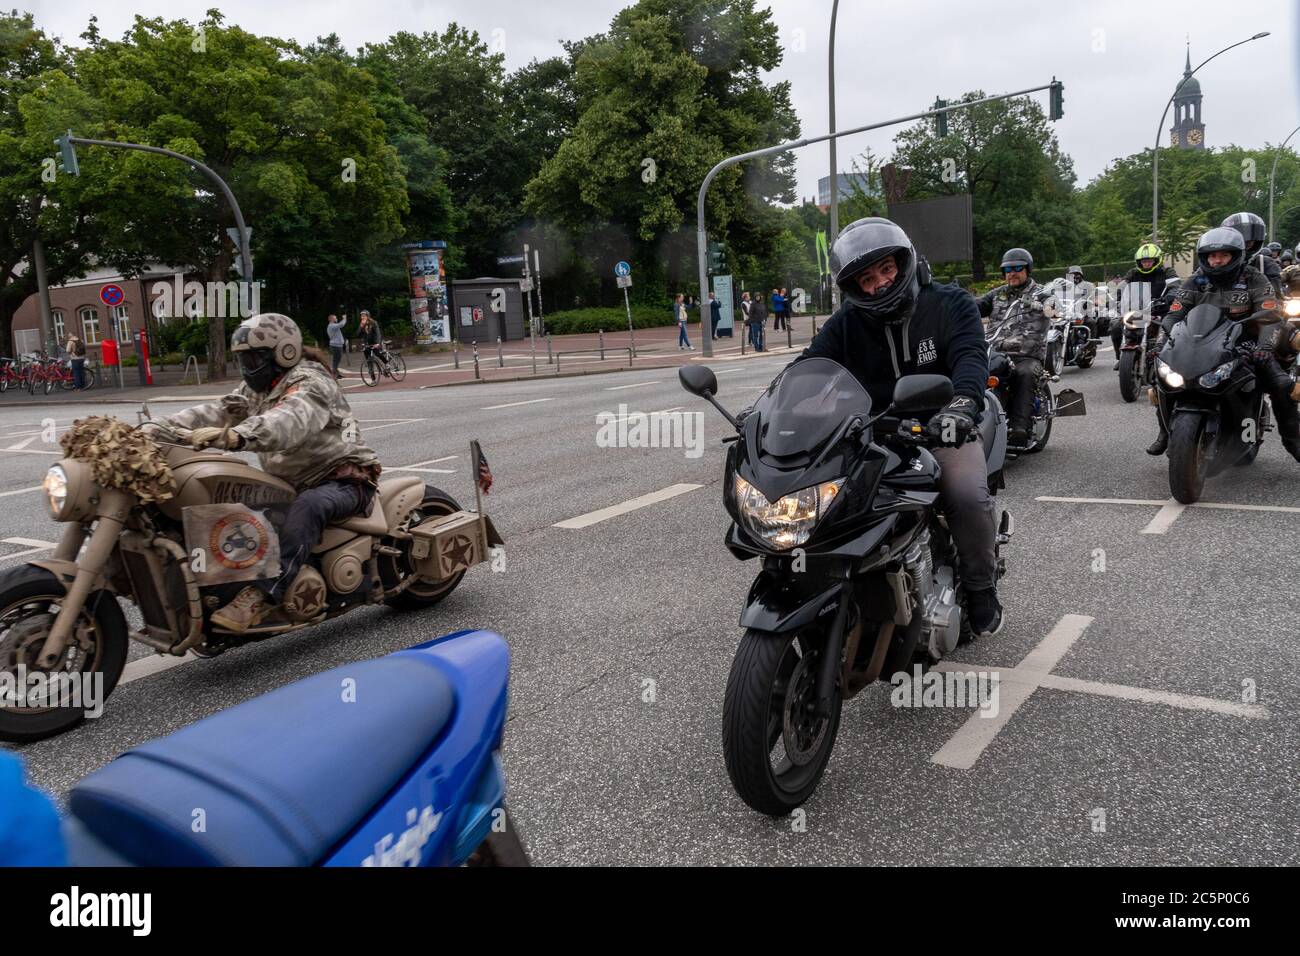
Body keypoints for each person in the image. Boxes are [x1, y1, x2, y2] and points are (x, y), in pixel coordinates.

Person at [795, 217, 1003, 638]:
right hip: (871, 433)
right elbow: (809, 368)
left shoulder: (949, 304)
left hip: (942, 429)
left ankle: (981, 588)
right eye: (867, 279)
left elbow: (970, 359)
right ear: (853, 288)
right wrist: (770, 407)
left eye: (886, 270)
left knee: (964, 495)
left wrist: (961, 407)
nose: (880, 284)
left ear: (904, 262)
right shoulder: (846, 325)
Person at [143, 313, 380, 631]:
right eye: (242, 360)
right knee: (228, 510)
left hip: (344, 479)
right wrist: (158, 428)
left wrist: (236, 436)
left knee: (308, 507)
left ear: (284, 352)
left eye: (254, 358)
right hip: (290, 482)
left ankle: (263, 595)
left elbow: (287, 421)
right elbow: (216, 411)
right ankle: (213, 593)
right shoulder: (257, 388)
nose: (247, 367)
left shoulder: (311, 383)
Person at [1147, 227, 1299, 461]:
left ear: (1235, 256)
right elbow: (1174, 315)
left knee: (1280, 385)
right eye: (1211, 256)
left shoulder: (1253, 278)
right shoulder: (1196, 280)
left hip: (1245, 344)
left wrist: (1265, 348)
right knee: (1161, 376)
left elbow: (1270, 316)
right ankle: (1166, 433)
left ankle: (1293, 440)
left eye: (1223, 255)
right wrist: (1160, 345)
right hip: (1201, 342)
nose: (1216, 261)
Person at [977, 247, 1055, 447]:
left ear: (1027, 270)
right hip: (995, 351)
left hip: (1026, 355)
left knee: (1025, 374)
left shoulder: (1040, 293)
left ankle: (1020, 428)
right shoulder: (998, 294)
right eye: (1008, 269)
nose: (1012, 273)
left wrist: (1048, 307)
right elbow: (974, 306)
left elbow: (1055, 307)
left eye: (1018, 268)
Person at [1115, 243, 1178, 365]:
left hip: (1160, 309)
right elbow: (1123, 285)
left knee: (1170, 329)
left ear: (1157, 260)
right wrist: (1117, 296)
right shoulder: (1133, 273)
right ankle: (1121, 358)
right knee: (1116, 328)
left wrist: (1170, 296)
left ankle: (1167, 360)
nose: (1146, 263)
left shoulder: (1167, 272)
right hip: (1138, 310)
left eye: (1149, 261)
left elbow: (1175, 286)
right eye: (1143, 261)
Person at [1223, 212, 1280, 294]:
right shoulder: (1216, 261)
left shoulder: (1265, 263)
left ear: (1257, 240)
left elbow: (1276, 294)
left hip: (1261, 304)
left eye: (1249, 240)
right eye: (1240, 239)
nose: (1245, 242)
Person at [326, 313, 347, 379]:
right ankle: (334, 374)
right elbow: (341, 324)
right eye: (335, 318)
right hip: (336, 346)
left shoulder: (332, 326)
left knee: (336, 360)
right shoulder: (332, 326)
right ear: (332, 319)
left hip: (336, 345)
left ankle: (336, 374)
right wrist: (344, 318)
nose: (337, 319)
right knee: (336, 360)